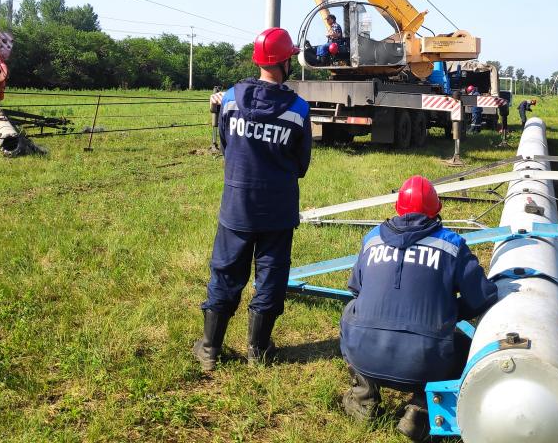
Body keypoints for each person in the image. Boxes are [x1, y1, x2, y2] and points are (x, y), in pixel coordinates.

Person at [340, 176, 498, 441]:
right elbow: (482, 297)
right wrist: (447, 313)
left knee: (350, 313)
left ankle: (363, 398)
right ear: (436, 211)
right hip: (426, 363)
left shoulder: (372, 240)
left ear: (398, 209)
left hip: (364, 355)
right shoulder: (451, 245)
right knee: (468, 348)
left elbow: (356, 290)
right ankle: (421, 411)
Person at [193, 27, 312, 371]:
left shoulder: (230, 99)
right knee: (271, 275)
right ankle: (258, 351)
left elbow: (226, 146)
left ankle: (210, 349)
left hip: (237, 205)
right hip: (278, 207)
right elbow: (301, 163)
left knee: (226, 272)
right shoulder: (298, 109)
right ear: (286, 61)